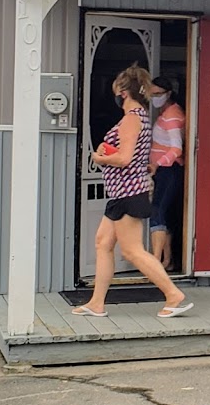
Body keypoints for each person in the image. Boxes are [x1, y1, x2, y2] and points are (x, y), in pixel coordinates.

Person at [72, 64, 193, 319]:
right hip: (122, 192)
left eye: (115, 90)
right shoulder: (141, 116)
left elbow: (125, 158)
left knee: (132, 250)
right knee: (103, 243)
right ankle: (96, 303)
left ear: (123, 92)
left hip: (128, 192)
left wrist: (100, 157)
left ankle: (173, 294)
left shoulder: (131, 119)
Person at [148, 76, 186, 270]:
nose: (154, 98)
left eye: (158, 94)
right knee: (165, 214)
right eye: (151, 94)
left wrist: (158, 164)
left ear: (168, 93)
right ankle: (167, 260)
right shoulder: (165, 113)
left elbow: (176, 149)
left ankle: (156, 260)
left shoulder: (172, 116)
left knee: (158, 212)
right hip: (163, 170)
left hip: (169, 170)